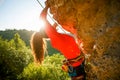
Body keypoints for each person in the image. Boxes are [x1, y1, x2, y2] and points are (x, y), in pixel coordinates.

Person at [30, 4, 86, 80]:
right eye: (50, 29)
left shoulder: (56, 38)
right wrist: (47, 6)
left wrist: (54, 26)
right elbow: (42, 17)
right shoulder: (55, 37)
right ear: (48, 31)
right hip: (77, 67)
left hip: (76, 67)